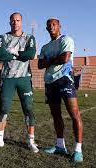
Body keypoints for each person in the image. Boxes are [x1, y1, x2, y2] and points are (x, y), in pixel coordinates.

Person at [0, 12, 39, 153]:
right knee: (4, 108)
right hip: (8, 77)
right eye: (12, 20)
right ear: (9, 22)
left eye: (17, 20)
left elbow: (30, 55)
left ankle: (31, 141)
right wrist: (20, 53)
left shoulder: (29, 37)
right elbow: (1, 55)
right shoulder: (3, 37)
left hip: (24, 77)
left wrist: (14, 52)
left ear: (21, 22)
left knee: (28, 109)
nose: (15, 23)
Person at [38, 17, 84, 162]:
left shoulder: (66, 39)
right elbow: (40, 64)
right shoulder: (45, 47)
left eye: (54, 24)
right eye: (49, 25)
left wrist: (49, 61)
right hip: (50, 82)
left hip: (65, 80)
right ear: (46, 29)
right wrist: (53, 59)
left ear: (59, 26)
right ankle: (60, 146)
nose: (51, 26)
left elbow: (65, 58)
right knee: (56, 115)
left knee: (74, 114)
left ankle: (78, 150)